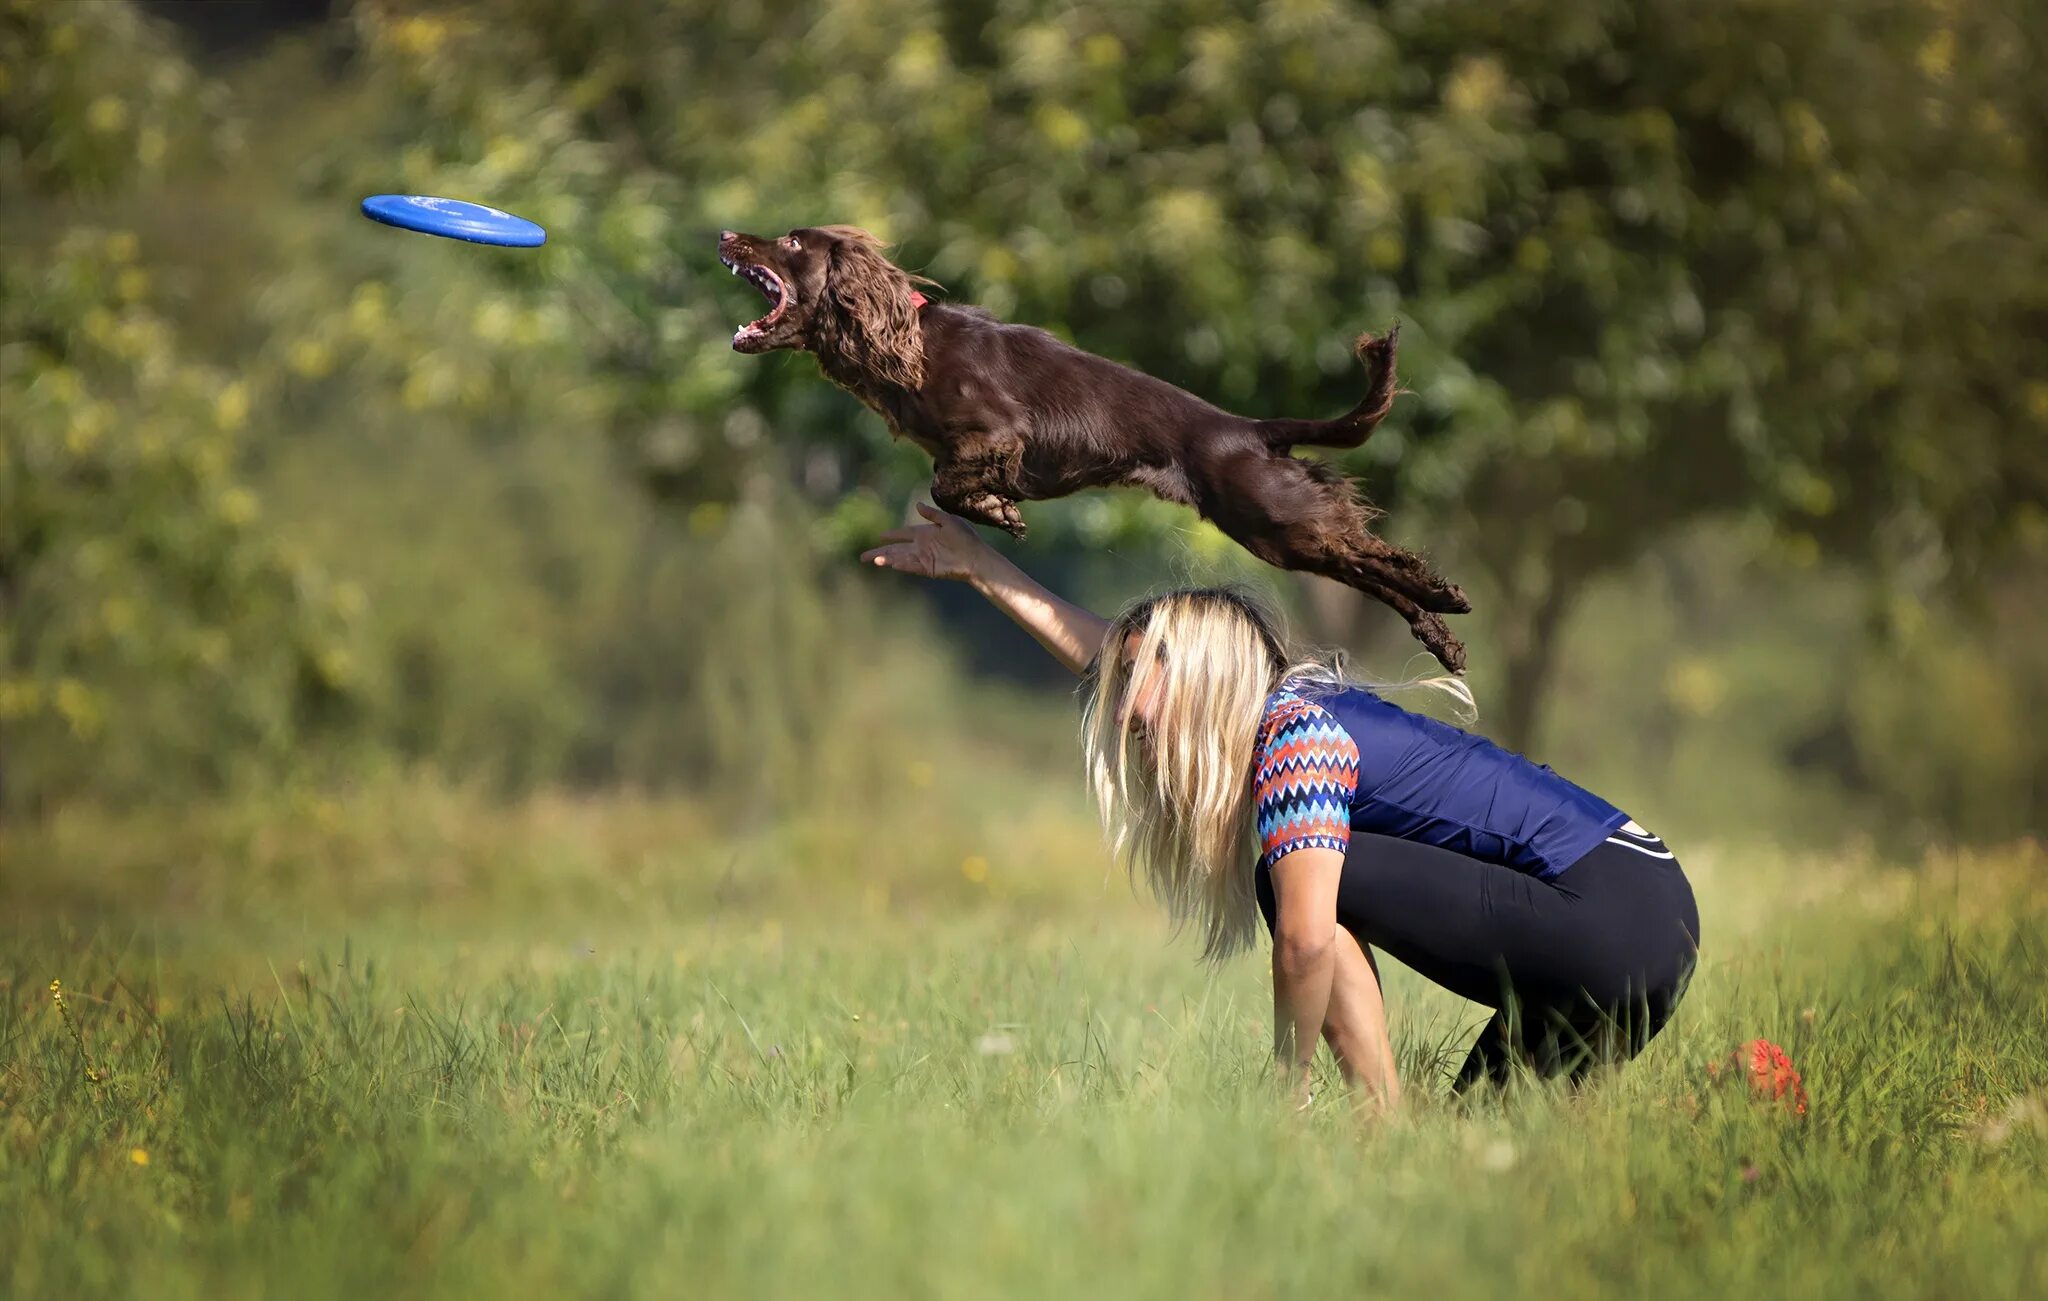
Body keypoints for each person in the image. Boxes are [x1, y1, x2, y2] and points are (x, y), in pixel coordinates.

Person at [860, 503, 1701, 1108]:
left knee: (1293, 885)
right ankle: (1402, 1139)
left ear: (1201, 679)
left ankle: (1375, 1120)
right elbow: (1110, 659)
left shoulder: (1294, 737)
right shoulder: (1308, 716)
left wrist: (1284, 1093)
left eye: (1144, 678)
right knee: (1473, 1140)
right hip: (1652, 919)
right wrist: (984, 568)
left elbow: (1305, 939)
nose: (1122, 708)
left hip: (1611, 909)